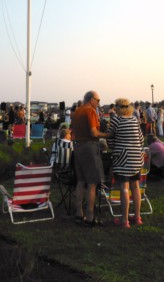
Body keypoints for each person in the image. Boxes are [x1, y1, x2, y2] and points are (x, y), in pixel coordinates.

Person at [71, 90, 112, 227]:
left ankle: (78, 214)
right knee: (93, 183)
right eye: (98, 100)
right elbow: (93, 132)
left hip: (78, 148)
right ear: (91, 100)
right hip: (89, 147)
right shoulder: (90, 111)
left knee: (80, 181)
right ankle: (90, 217)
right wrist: (108, 135)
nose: (99, 103)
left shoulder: (77, 112)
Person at [107, 98, 144, 228]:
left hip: (122, 159)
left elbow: (110, 140)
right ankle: (137, 217)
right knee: (136, 187)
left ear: (118, 108)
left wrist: (115, 147)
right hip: (136, 158)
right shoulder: (134, 120)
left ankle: (124, 221)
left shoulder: (115, 120)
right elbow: (141, 139)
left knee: (124, 188)